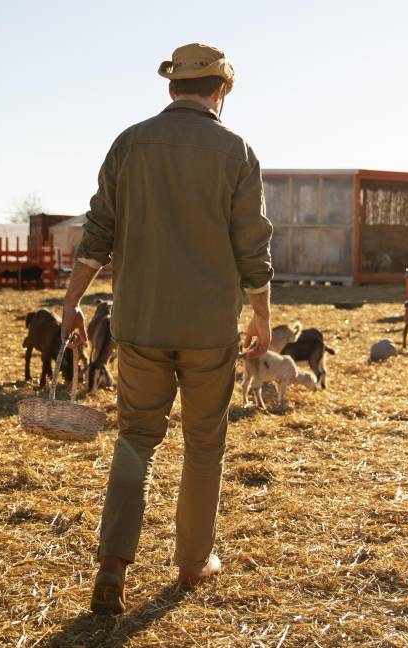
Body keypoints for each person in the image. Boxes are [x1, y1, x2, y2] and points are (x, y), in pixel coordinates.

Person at [60, 43, 274, 615]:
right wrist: (262, 312)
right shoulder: (237, 151)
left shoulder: (129, 144)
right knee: (204, 446)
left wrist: (71, 303)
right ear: (221, 90)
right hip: (208, 329)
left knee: (135, 440)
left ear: (171, 88)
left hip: (140, 325)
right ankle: (192, 562)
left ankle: (112, 564)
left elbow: (97, 231)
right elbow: (252, 245)